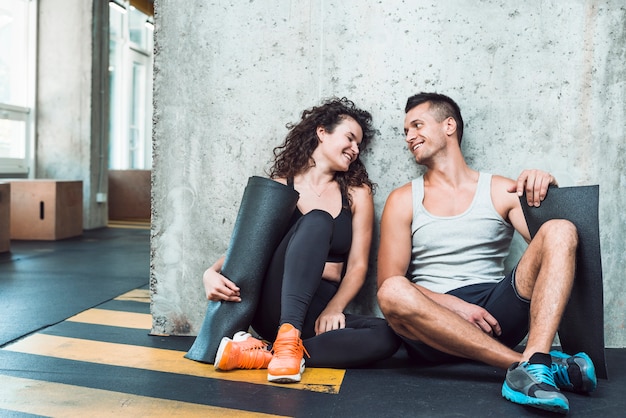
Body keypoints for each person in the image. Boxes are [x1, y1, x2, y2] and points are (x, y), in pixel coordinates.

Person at [376, 92, 597, 414]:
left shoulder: (500, 189)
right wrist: (455, 305)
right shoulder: (403, 198)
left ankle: (534, 363)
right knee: (393, 290)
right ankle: (533, 365)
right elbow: (389, 281)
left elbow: (554, 251)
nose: (409, 136)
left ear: (448, 125)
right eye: (406, 131)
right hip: (430, 323)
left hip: (496, 316)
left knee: (561, 229)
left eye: (417, 125)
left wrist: (550, 188)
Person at [203, 97, 400, 384]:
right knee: (318, 220)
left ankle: (267, 353)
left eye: (359, 145)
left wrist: (335, 308)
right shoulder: (283, 186)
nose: (355, 150)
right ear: (322, 132)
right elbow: (249, 248)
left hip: (319, 308)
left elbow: (357, 266)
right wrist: (209, 273)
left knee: (388, 336)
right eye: (350, 138)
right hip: (276, 304)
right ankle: (287, 336)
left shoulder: (358, 193)